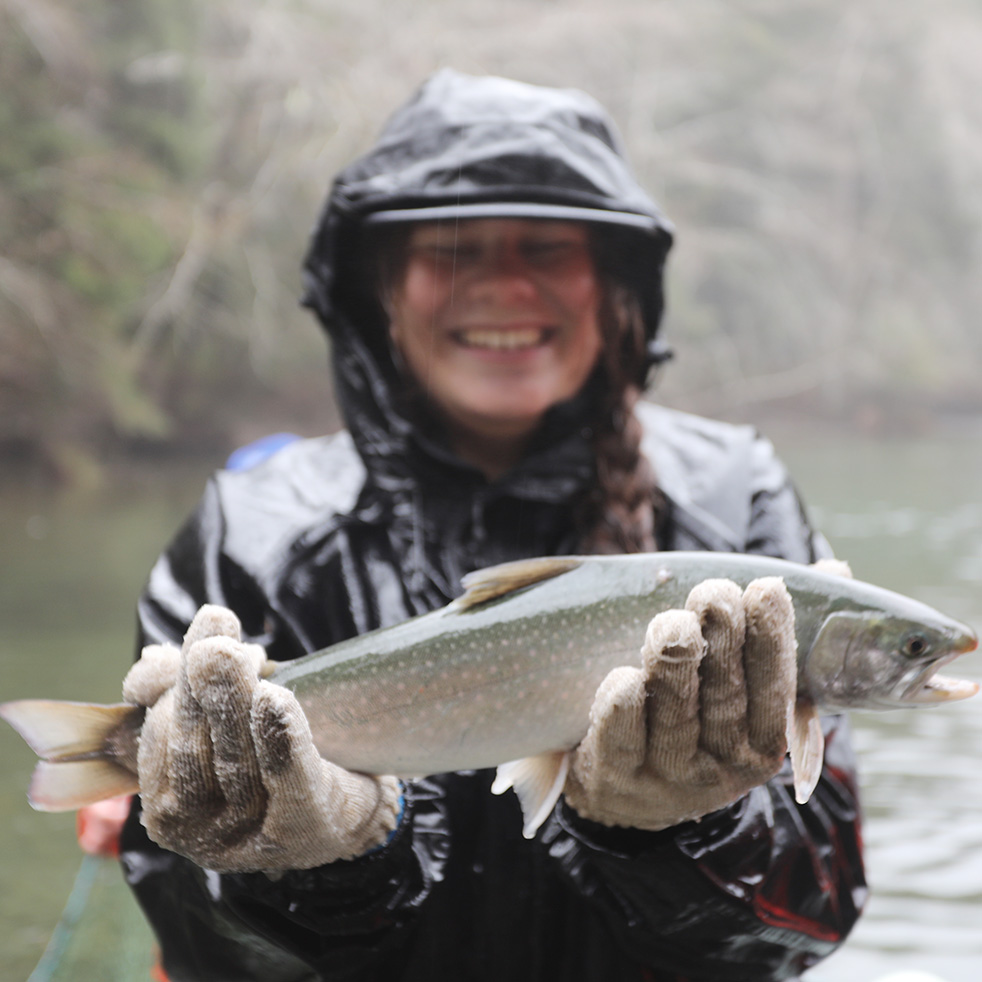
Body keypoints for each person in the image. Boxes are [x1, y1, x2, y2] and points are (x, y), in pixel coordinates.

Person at [114, 70, 866, 980]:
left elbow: (809, 918)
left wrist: (682, 824)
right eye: (455, 251)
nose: (506, 285)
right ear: (381, 288)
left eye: (548, 249)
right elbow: (202, 934)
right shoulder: (253, 530)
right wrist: (325, 856)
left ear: (612, 287)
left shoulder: (737, 495)